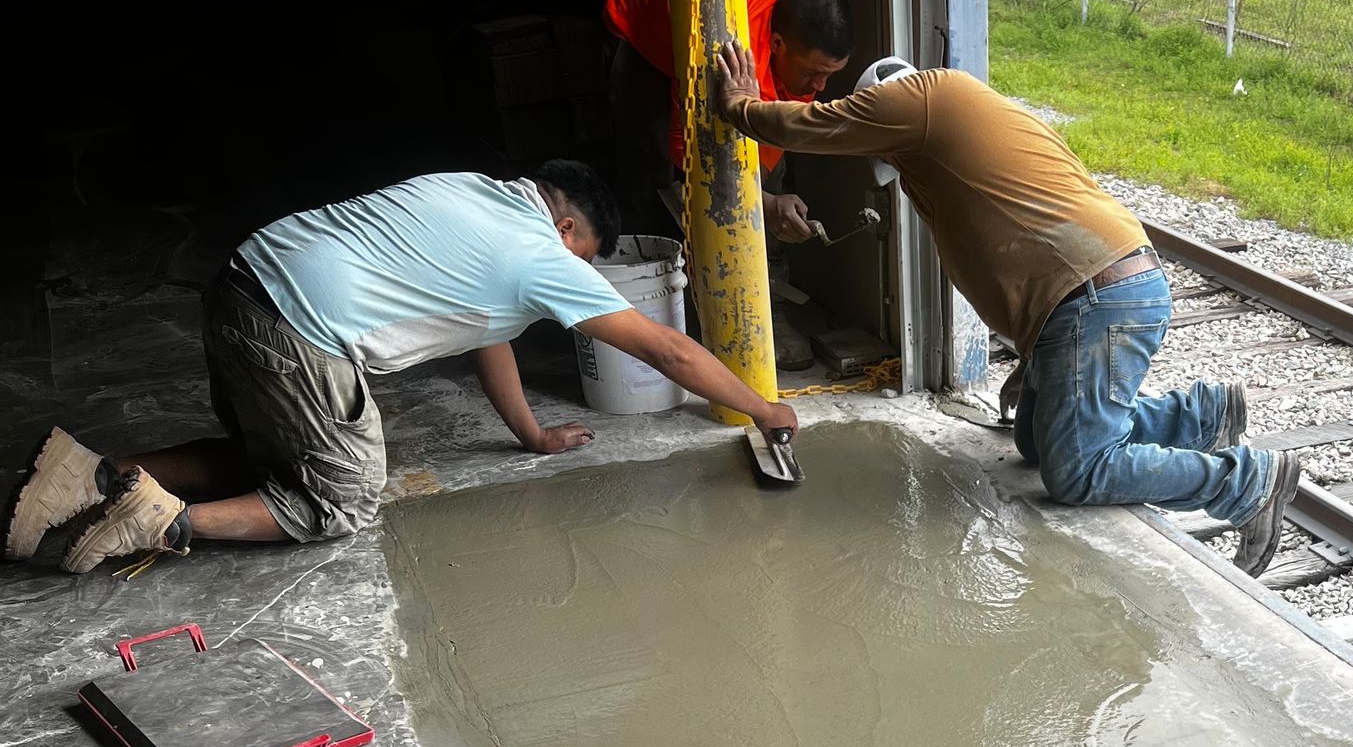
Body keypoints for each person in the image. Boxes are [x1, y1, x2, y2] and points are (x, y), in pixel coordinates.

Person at [4, 159, 799, 575]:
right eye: (585, 260)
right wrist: (765, 409)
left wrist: (529, 435)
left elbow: (491, 331)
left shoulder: (476, 193)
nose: (583, 280)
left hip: (242, 284)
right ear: (564, 226)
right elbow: (667, 348)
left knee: (269, 461)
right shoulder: (539, 253)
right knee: (341, 496)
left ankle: (95, 475)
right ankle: (167, 522)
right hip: (299, 327)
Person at [711, 46, 1299, 572]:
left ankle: (1244, 485)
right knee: (1036, 444)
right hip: (1086, 296)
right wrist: (1033, 355)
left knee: (1077, 472)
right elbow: (1025, 251)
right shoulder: (973, 129)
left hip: (1096, 297)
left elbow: (816, 125)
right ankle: (1199, 418)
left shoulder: (924, 97)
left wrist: (742, 108)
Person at [606, 0, 853, 367]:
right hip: (647, 19)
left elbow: (772, 132)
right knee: (650, 176)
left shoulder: (807, 21)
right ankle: (668, 317)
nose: (821, 87)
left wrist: (768, 200)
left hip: (722, 36)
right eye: (814, 74)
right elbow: (691, 152)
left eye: (830, 73)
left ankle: (765, 313)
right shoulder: (717, 47)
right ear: (776, 45)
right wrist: (759, 200)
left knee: (759, 180)